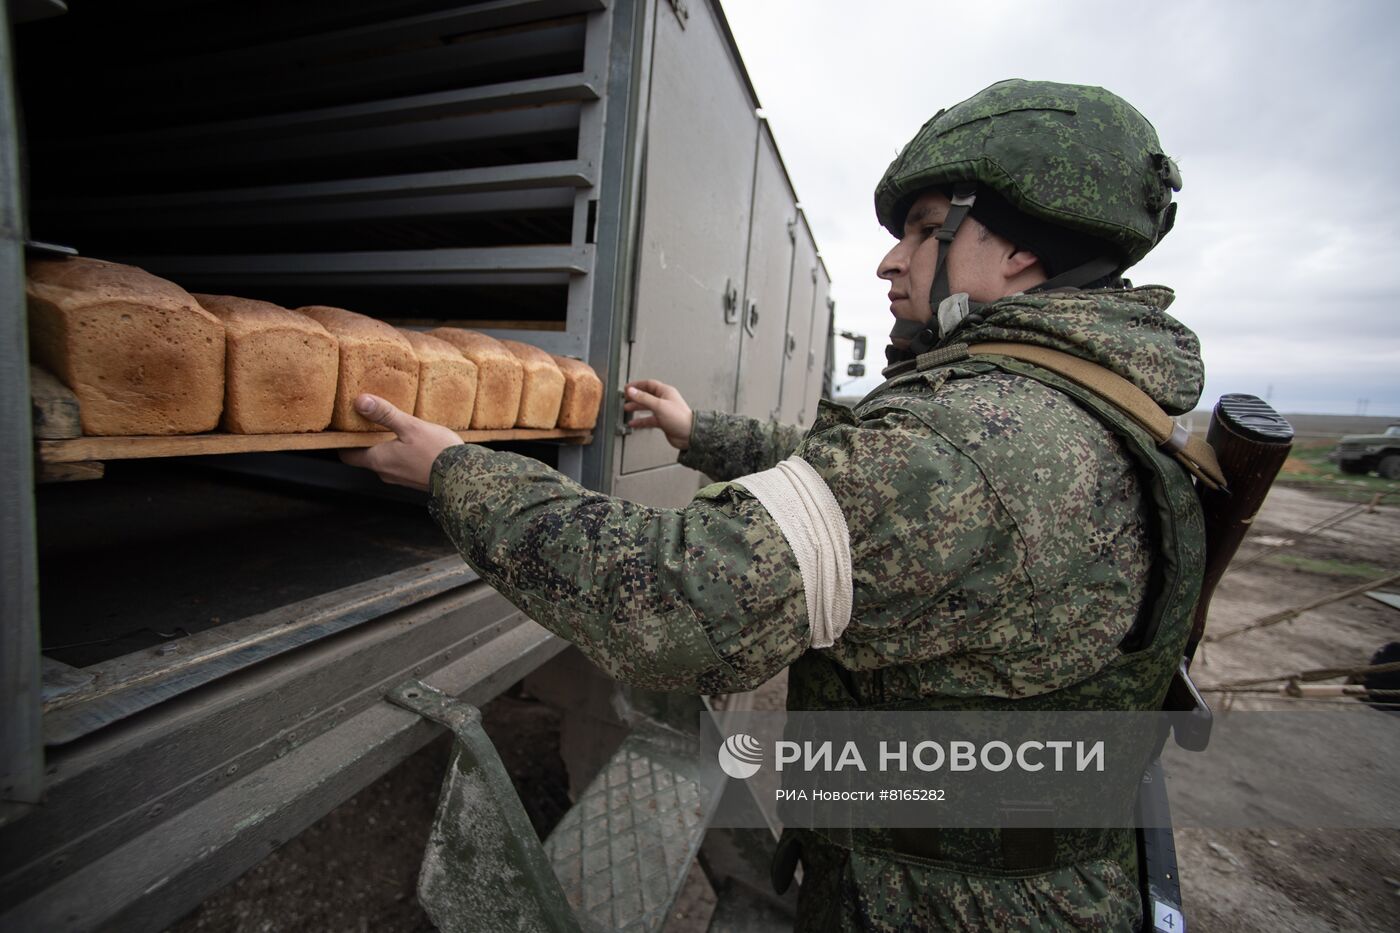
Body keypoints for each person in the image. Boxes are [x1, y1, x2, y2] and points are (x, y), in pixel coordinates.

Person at [342, 79, 1205, 931]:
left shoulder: (967, 442)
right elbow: (858, 493)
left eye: (924, 228)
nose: (891, 259)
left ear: (1019, 249)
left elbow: (674, 601)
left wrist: (457, 470)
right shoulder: (1070, 406)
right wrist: (697, 429)